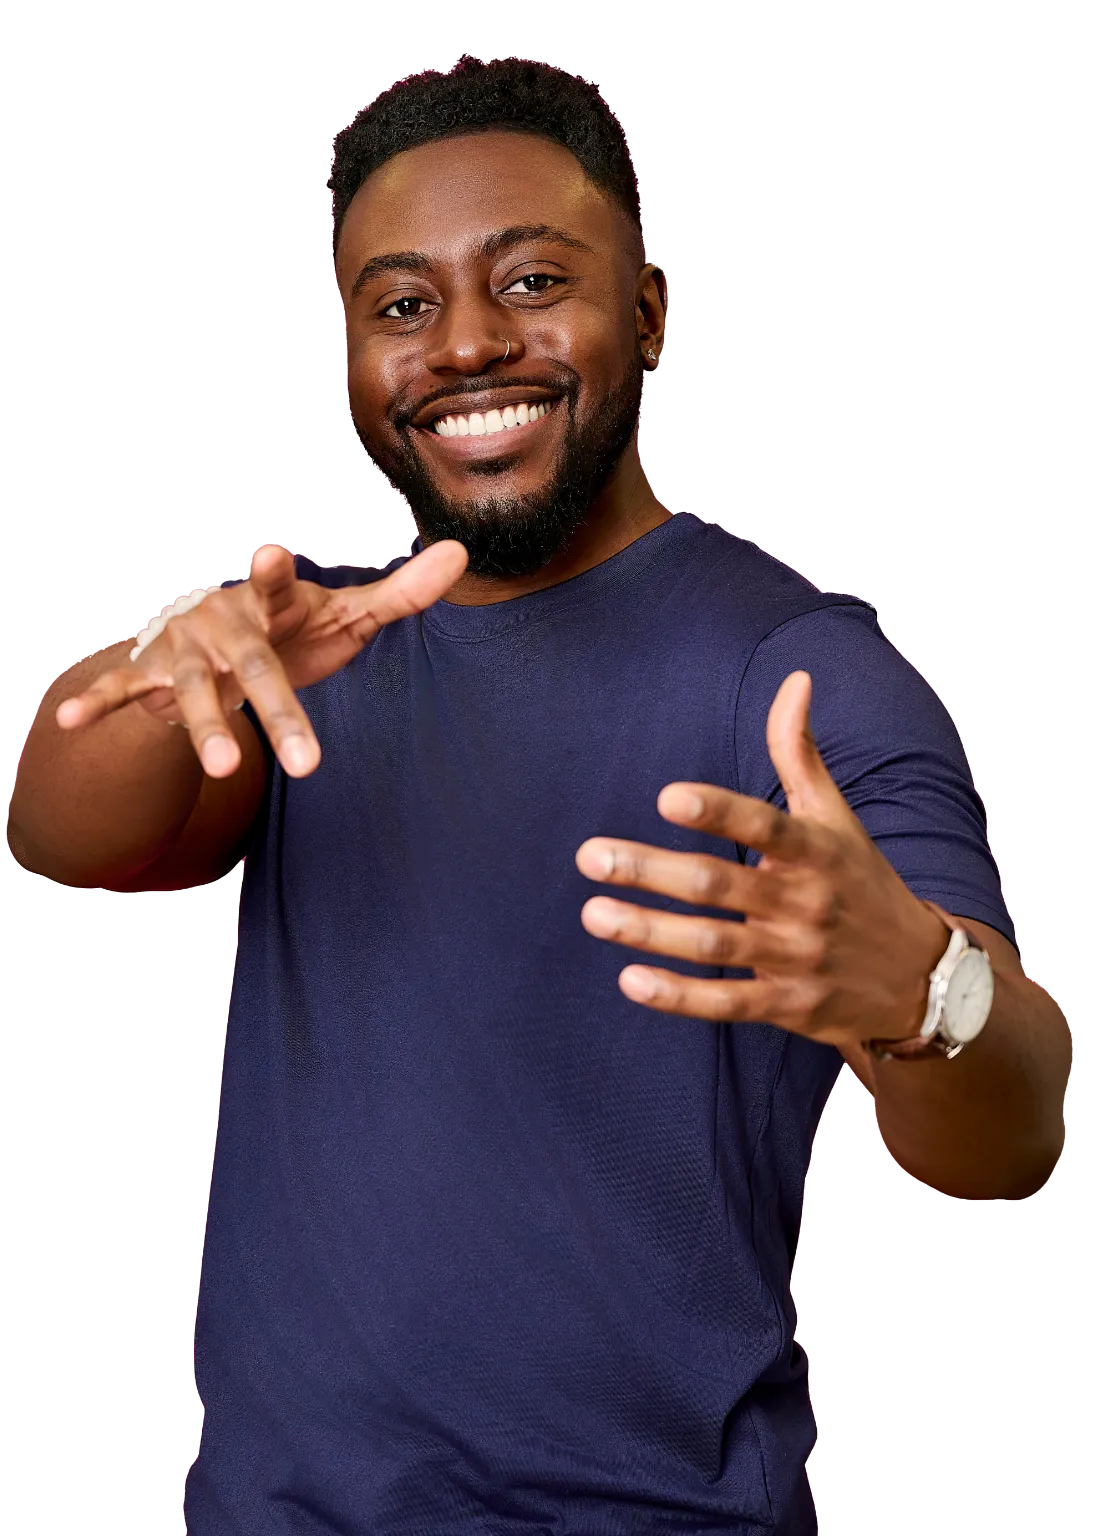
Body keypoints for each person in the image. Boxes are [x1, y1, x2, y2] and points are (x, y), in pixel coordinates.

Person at [8, 56, 1071, 1536]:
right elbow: (61, 836)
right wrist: (158, 664)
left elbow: (1011, 1140)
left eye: (529, 282)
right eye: (400, 305)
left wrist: (924, 991)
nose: (463, 344)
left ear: (649, 314)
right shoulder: (307, 647)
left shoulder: (797, 672)